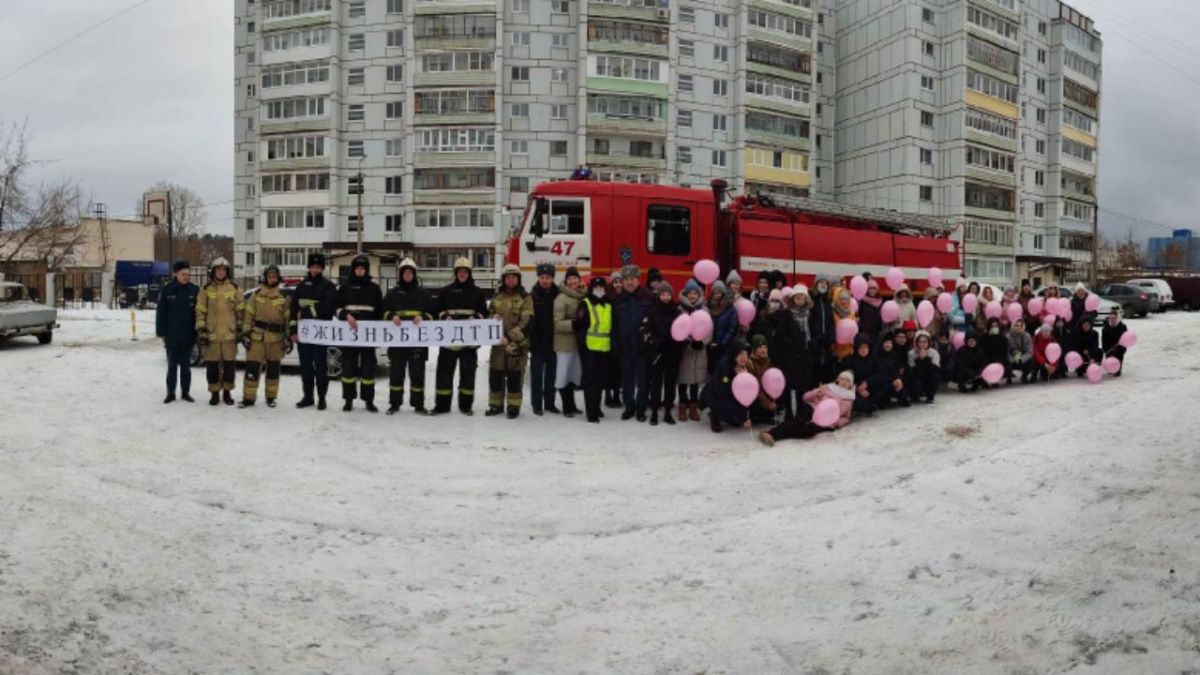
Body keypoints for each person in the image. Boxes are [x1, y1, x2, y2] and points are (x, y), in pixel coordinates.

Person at [431, 257, 489, 415]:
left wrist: (476, 317)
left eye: (465, 272)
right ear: (456, 273)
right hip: (448, 342)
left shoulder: (477, 292)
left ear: (469, 273)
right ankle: (442, 406)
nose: (462, 274)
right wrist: (444, 317)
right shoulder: (446, 291)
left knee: (468, 375)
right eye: (460, 272)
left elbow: (484, 312)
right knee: (444, 374)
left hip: (469, 343)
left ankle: (466, 406)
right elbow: (438, 310)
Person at [382, 258, 430, 415]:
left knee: (417, 375)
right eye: (405, 272)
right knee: (396, 374)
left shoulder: (423, 293)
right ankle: (394, 404)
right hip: (398, 344)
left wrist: (423, 317)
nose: (408, 275)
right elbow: (382, 312)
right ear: (401, 275)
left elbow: (433, 313)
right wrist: (390, 317)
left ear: (414, 274)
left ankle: (418, 404)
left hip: (418, 343)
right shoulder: (392, 293)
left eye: (410, 272)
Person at [335, 255, 384, 412]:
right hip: (350, 337)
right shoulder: (345, 287)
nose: (360, 270)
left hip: (367, 337)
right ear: (353, 269)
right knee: (348, 369)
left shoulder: (374, 289)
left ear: (366, 270)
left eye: (362, 268)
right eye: (357, 268)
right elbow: (336, 308)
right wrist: (346, 315)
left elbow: (380, 312)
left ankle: (368, 400)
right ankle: (348, 400)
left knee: (368, 370)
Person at [239, 264, 291, 408]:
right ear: (265, 278)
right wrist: (245, 335)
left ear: (278, 278)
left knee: (273, 370)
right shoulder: (256, 296)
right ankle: (248, 399)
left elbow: (287, 319)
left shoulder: (283, 297)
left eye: (274, 276)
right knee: (252, 369)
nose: (272, 279)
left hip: (276, 339)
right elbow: (248, 316)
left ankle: (271, 397)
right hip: (257, 339)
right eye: (269, 276)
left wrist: (288, 338)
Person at [290, 253, 337, 410]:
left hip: (320, 335)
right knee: (305, 367)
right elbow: (293, 310)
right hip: (303, 336)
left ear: (322, 268)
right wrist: (292, 331)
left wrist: (306, 313)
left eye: (318, 267)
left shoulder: (328, 286)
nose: (315, 269)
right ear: (309, 267)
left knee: (321, 368)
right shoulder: (301, 286)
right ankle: (308, 396)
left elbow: (328, 308)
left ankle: (321, 397)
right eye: (313, 266)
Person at [758, 371, 856, 446]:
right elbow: (805, 397)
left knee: (806, 431)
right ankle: (773, 434)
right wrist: (816, 392)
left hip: (825, 421)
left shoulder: (848, 398)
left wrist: (835, 424)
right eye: (842, 379)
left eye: (848, 381)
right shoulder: (827, 388)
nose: (844, 382)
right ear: (838, 380)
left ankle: (771, 432)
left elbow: (844, 416)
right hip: (812, 408)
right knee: (799, 420)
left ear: (850, 384)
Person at [487, 264, 534, 418]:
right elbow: (489, 315)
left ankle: (513, 407)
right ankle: (495, 405)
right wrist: (492, 318)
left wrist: (509, 337)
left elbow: (527, 322)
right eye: (508, 277)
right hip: (498, 345)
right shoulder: (497, 297)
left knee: (515, 376)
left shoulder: (525, 298)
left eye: (514, 277)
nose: (511, 280)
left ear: (518, 279)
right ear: (503, 279)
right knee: (496, 374)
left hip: (517, 344)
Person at [195, 257, 241, 406]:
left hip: (229, 335)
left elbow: (241, 311)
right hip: (211, 335)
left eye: (224, 269)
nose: (221, 272)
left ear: (227, 271)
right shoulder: (206, 289)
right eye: (218, 269)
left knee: (229, 368)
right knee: (212, 368)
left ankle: (227, 393)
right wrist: (201, 330)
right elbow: (200, 311)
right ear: (213, 271)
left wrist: (241, 330)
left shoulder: (234, 288)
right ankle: (214, 393)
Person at [613, 265, 654, 422]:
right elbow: (613, 325)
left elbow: (654, 321)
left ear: (638, 280)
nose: (630, 282)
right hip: (625, 347)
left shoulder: (648, 297)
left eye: (633, 279)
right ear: (623, 281)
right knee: (627, 380)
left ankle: (641, 409)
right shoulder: (617, 300)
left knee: (643, 381)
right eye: (627, 280)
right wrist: (615, 344)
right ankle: (629, 407)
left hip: (642, 348)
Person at [156, 260, 200, 404]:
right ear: (176, 274)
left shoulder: (194, 290)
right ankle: (171, 393)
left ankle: (185, 393)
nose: (186, 277)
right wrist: (161, 333)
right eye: (183, 274)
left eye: (188, 274)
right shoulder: (167, 290)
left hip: (188, 336)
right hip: (172, 336)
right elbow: (161, 313)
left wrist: (197, 333)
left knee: (186, 368)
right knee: (172, 367)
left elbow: (198, 314)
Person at [641, 281, 683, 425]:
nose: (665, 297)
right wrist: (654, 343)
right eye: (663, 294)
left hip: (673, 353)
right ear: (659, 295)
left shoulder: (677, 312)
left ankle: (667, 412)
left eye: (668, 294)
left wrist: (680, 345)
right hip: (657, 354)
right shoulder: (652, 311)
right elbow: (645, 330)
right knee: (656, 384)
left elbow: (684, 331)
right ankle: (654, 412)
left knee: (670, 385)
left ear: (672, 295)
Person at [763, 289, 807, 420]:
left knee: (799, 386)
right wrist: (793, 343)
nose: (799, 301)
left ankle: (798, 412)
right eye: (796, 298)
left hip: (801, 355)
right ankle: (789, 413)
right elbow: (781, 334)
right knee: (789, 386)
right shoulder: (785, 314)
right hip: (788, 355)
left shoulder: (802, 314)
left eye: (802, 298)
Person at [576, 276, 613, 423]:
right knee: (591, 382)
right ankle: (591, 413)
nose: (599, 290)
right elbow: (579, 327)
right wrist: (582, 347)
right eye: (596, 288)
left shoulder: (608, 304)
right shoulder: (585, 304)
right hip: (589, 349)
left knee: (600, 382)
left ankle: (597, 407)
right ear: (591, 289)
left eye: (601, 288)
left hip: (605, 349)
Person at [528, 263, 560, 415]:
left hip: (553, 343)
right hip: (537, 343)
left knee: (551, 376)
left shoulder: (558, 295)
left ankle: (550, 403)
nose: (545, 280)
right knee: (536, 376)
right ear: (538, 278)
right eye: (542, 277)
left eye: (548, 277)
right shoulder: (532, 296)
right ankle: (537, 404)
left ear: (553, 278)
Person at [552, 267, 585, 417]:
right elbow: (557, 323)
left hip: (578, 343)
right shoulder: (561, 299)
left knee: (573, 375)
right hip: (564, 343)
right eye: (570, 279)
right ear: (566, 281)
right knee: (564, 375)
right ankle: (566, 407)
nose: (573, 281)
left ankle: (572, 405)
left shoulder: (583, 295)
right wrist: (574, 324)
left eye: (575, 278)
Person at [676, 279, 709, 423]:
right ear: (686, 293)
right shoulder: (679, 309)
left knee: (695, 380)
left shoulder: (704, 309)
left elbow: (709, 328)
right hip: (685, 349)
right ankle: (682, 406)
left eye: (695, 293)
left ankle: (694, 407)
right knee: (683, 379)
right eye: (690, 293)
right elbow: (677, 328)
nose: (693, 296)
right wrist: (685, 341)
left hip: (699, 349)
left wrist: (702, 342)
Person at [703, 339, 752, 433]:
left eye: (745, 354)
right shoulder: (724, 366)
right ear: (734, 354)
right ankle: (715, 415)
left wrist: (744, 377)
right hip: (716, 395)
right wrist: (743, 417)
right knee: (723, 403)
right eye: (740, 354)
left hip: (731, 395)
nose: (744, 357)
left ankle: (732, 417)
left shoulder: (746, 366)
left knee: (736, 421)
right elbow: (724, 391)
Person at [839, 334, 878, 415]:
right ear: (856, 348)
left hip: (868, 389)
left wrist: (867, 383)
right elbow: (843, 379)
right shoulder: (849, 360)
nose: (863, 350)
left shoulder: (873, 359)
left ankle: (872, 403)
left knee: (883, 382)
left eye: (866, 347)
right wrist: (857, 389)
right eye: (860, 347)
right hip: (853, 390)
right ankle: (866, 406)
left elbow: (879, 374)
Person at [707, 280, 739, 376]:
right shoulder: (708, 306)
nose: (716, 294)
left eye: (719, 292)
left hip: (723, 346)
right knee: (711, 370)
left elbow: (732, 328)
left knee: (722, 370)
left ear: (723, 293)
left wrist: (722, 342)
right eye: (715, 292)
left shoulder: (730, 308)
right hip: (710, 344)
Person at [808, 276, 836, 385]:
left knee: (826, 373)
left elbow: (831, 321)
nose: (823, 285)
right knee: (814, 373)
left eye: (825, 283)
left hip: (826, 344)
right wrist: (815, 337)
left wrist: (831, 337)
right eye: (821, 282)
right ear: (816, 284)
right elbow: (810, 321)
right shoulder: (811, 300)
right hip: (815, 343)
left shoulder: (828, 302)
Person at [874, 332, 911, 409]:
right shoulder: (876, 355)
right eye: (886, 342)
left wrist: (897, 378)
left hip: (890, 381)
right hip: (879, 383)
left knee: (900, 385)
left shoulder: (893, 355)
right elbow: (880, 372)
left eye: (890, 342)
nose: (888, 345)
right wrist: (893, 380)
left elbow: (894, 369)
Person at [604, 274, 625, 410]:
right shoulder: (607, 299)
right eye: (615, 282)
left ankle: (617, 394)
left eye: (620, 282)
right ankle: (607, 394)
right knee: (608, 369)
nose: (618, 284)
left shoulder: (626, 298)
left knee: (619, 369)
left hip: (622, 336)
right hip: (608, 336)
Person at [747, 334, 777, 424]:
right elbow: (755, 388)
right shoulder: (750, 364)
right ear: (754, 349)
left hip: (764, 394)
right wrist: (767, 403)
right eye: (759, 347)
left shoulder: (768, 361)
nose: (763, 350)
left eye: (764, 347)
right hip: (755, 395)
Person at [908, 330, 941, 404]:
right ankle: (914, 395)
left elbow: (935, 370)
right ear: (916, 342)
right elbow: (913, 372)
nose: (922, 344)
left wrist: (926, 359)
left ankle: (930, 396)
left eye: (925, 341)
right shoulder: (911, 354)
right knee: (917, 382)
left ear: (929, 342)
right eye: (920, 342)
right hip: (917, 379)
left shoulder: (934, 353)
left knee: (936, 377)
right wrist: (920, 360)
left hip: (928, 378)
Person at [831, 286, 858, 362]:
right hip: (835, 349)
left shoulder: (852, 314)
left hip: (849, 350)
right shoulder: (832, 313)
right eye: (841, 299)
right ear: (836, 299)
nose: (844, 301)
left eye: (846, 299)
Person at [981, 317, 1008, 388]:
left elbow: (1004, 352)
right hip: (988, 359)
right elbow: (983, 351)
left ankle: (995, 379)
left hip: (999, 360)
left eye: (996, 326)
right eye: (992, 326)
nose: (994, 328)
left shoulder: (1003, 338)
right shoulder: (984, 338)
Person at [1006, 318, 1034, 384]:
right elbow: (1006, 352)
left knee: (1031, 362)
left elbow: (1030, 351)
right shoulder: (1008, 337)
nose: (1019, 328)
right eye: (1017, 326)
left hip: (1022, 358)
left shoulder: (1027, 336)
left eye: (1020, 326)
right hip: (1012, 359)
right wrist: (1012, 359)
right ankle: (1009, 376)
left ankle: (1024, 375)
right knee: (1005, 362)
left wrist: (1022, 359)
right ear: (1013, 326)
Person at [1101, 307, 1128, 376]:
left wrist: (1118, 347)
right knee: (1110, 370)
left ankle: (1118, 368)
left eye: (1113, 318)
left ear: (1117, 318)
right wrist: (1108, 348)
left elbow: (1125, 340)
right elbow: (1104, 341)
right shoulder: (1105, 328)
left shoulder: (1123, 327)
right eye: (1110, 318)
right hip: (1109, 349)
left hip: (1119, 349)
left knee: (1117, 372)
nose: (1112, 320)